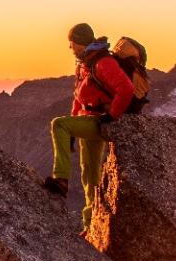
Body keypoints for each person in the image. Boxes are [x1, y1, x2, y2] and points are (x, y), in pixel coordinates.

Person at [43, 22, 139, 229]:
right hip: (88, 119)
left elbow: (127, 89)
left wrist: (111, 116)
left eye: (72, 43)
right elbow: (79, 98)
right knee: (90, 175)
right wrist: (74, 124)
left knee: (58, 124)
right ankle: (90, 226)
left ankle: (61, 179)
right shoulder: (84, 63)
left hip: (100, 121)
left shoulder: (103, 62)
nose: (70, 48)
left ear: (79, 42)